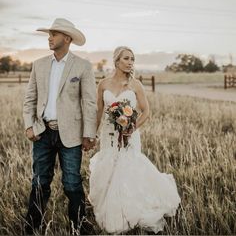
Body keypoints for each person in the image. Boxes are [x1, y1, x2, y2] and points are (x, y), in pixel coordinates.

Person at [88, 46, 181, 234]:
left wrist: (132, 127)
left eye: (132, 59)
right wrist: (92, 134)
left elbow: (147, 111)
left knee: (127, 169)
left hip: (129, 136)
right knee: (110, 168)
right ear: (116, 61)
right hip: (109, 136)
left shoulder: (135, 85)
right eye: (126, 58)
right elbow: (99, 112)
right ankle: (112, 209)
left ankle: (130, 211)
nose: (130, 62)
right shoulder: (103, 84)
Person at [23, 18, 97, 234]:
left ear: (67, 38)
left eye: (53, 34)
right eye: (49, 34)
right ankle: (31, 227)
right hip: (42, 132)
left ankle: (79, 227)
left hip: (71, 135)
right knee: (39, 181)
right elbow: (30, 99)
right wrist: (29, 126)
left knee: (72, 183)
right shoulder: (39, 65)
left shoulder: (83, 66)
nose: (49, 37)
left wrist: (88, 134)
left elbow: (89, 102)